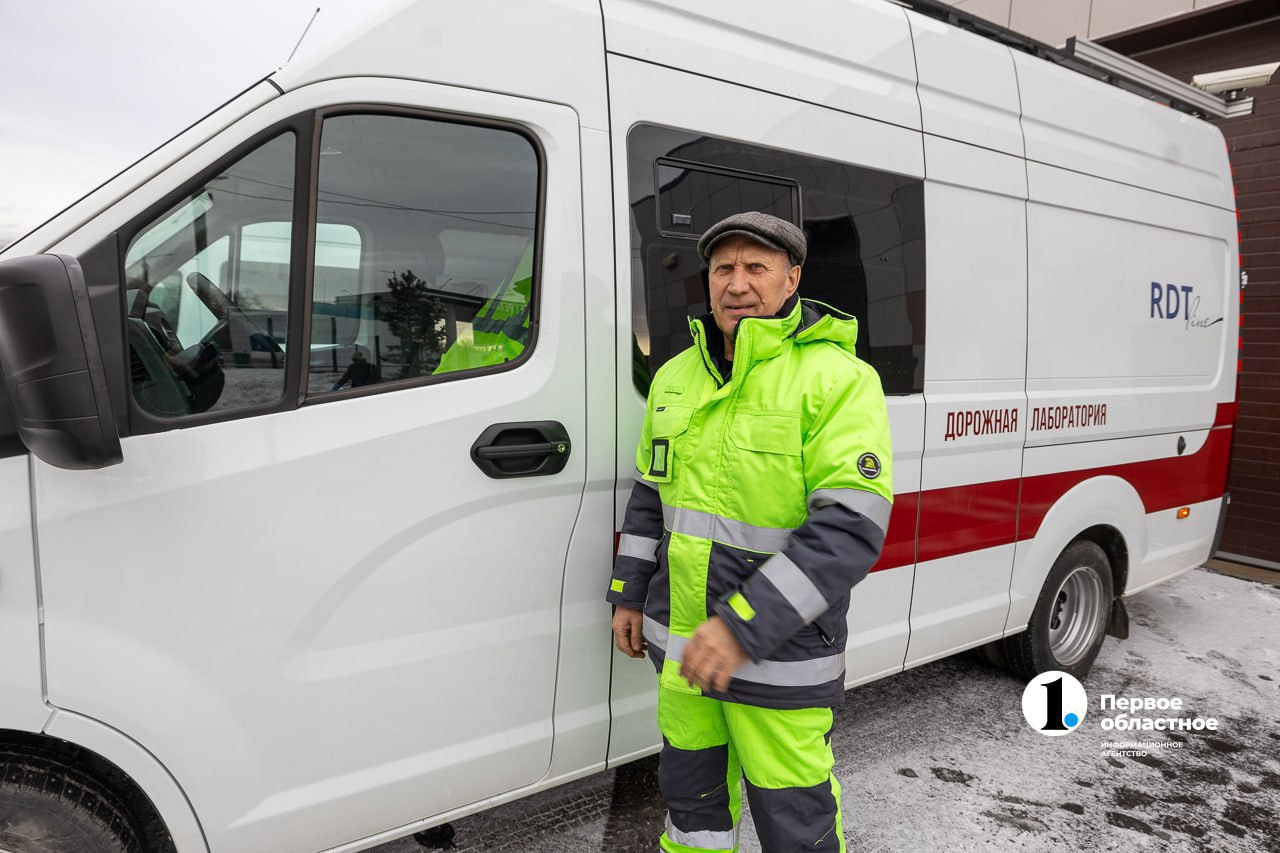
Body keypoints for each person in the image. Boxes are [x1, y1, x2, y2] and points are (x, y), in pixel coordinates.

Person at [606, 211, 893, 852]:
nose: (737, 283)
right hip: (682, 653)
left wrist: (739, 627)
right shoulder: (674, 376)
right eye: (723, 268)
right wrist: (629, 593)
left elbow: (849, 530)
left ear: (791, 280)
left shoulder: (838, 380)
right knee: (691, 808)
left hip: (778, 658)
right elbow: (652, 496)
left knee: (796, 823)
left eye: (756, 267)